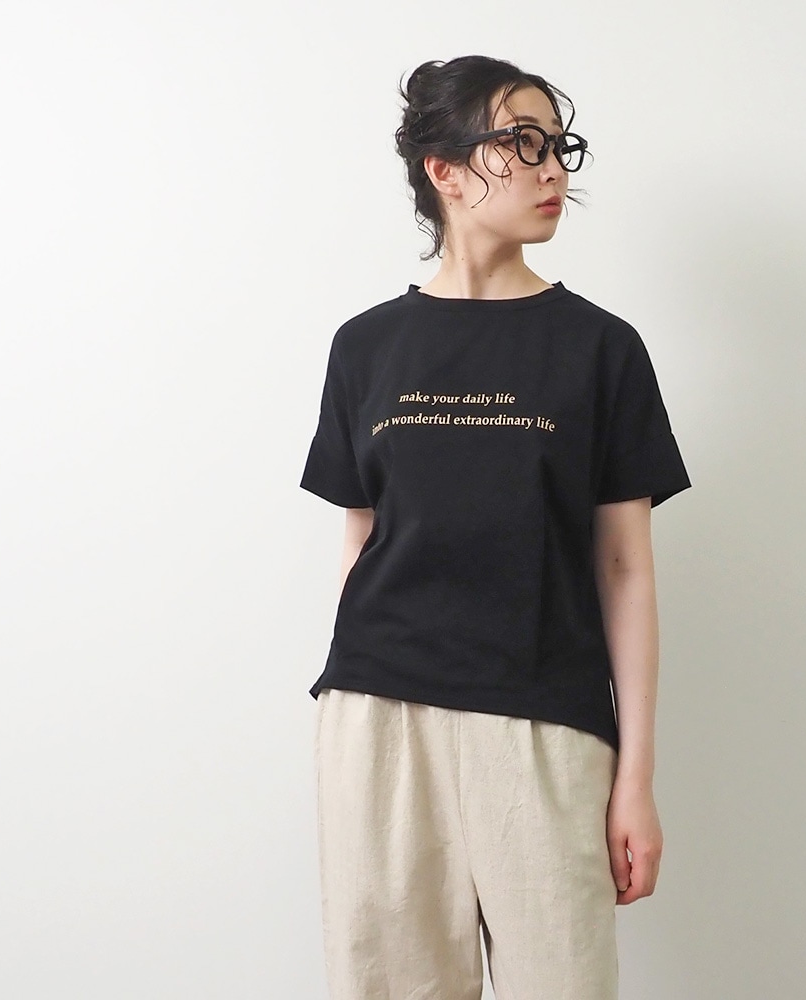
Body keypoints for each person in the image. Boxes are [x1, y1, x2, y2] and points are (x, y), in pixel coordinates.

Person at [300, 54, 692, 1000]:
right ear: (443, 170)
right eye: (523, 144)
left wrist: (635, 778)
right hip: (382, 718)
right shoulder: (365, 347)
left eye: (559, 147)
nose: (553, 170)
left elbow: (626, 571)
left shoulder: (600, 347)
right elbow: (360, 545)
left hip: (545, 723)